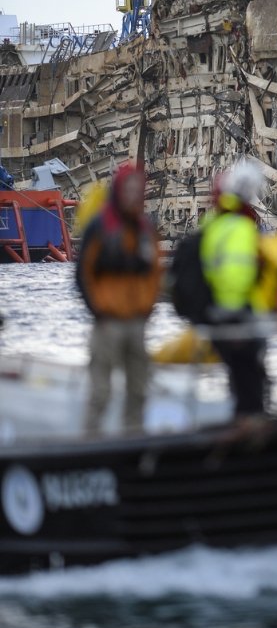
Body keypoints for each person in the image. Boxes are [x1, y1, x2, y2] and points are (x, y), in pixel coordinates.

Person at [76, 164, 162, 435]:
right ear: (118, 191)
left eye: (138, 190)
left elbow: (155, 273)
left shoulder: (145, 230)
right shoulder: (100, 228)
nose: (134, 195)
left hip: (137, 321)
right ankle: (91, 441)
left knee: (139, 388)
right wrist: (98, 310)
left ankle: (133, 439)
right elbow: (83, 274)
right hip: (108, 320)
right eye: (129, 189)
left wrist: (147, 307)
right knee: (100, 390)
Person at [200, 160, 268, 421]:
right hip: (238, 314)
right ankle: (248, 426)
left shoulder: (214, 222)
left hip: (219, 312)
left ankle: (241, 420)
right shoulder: (240, 226)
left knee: (241, 377)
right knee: (249, 377)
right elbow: (240, 273)